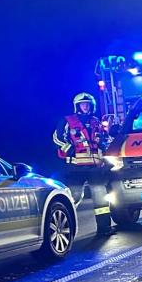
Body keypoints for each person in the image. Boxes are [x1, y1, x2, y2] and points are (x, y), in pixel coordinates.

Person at [53, 92, 112, 235]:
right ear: (77, 106)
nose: (85, 106)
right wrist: (70, 149)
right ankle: (64, 229)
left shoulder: (95, 121)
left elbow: (103, 139)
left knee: (101, 198)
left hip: (94, 167)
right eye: (82, 104)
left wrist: (104, 146)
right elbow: (57, 138)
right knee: (73, 196)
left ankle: (104, 229)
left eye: (87, 104)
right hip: (75, 168)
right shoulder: (67, 121)